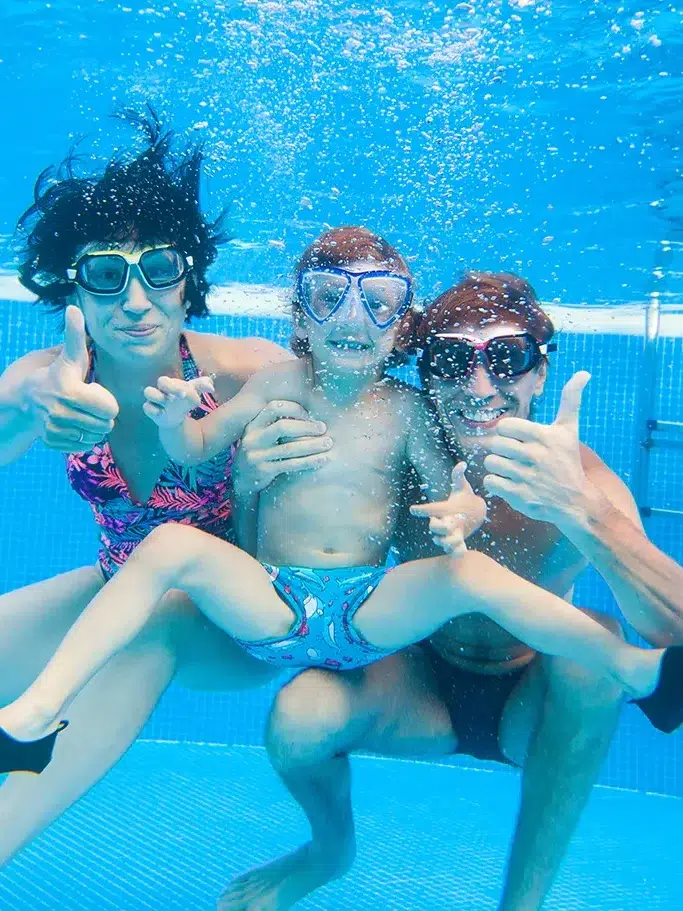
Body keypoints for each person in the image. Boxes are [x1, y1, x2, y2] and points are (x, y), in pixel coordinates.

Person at [1, 233, 679, 902]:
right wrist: (192, 434)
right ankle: (35, 710)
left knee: (483, 584)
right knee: (175, 552)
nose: (352, 318)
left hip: (395, 627)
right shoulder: (282, 385)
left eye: (378, 303)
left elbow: (452, 489)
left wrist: (480, 516)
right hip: (306, 618)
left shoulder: (426, 418)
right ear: (300, 316)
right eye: (329, 298)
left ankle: (634, 672)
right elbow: (204, 444)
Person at [216, 261, 683, 911]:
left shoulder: (583, 482)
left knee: (596, 658)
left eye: (507, 356)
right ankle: (327, 849)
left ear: (539, 371)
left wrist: (583, 513)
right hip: (416, 687)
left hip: (532, 706)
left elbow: (675, 641)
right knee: (297, 719)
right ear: (425, 375)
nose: (480, 385)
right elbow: (267, 578)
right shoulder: (396, 463)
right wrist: (246, 485)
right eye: (450, 360)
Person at [0, 111, 329, 862]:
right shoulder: (47, 383)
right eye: (107, 275)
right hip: (116, 590)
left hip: (241, 622)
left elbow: (366, 429)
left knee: (165, 609)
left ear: (189, 284)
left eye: (159, 271)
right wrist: (32, 411)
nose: (136, 300)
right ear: (74, 292)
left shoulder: (244, 370)